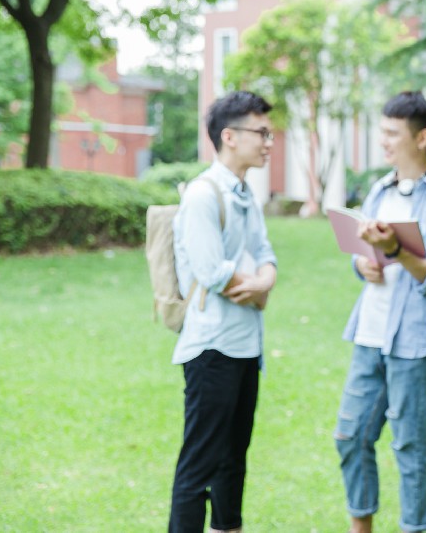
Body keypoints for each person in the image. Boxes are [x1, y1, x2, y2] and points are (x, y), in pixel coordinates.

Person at [334, 91, 426, 533]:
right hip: (368, 335)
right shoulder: (380, 189)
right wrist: (364, 262)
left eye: (393, 133)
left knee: (411, 447)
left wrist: (397, 249)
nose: (384, 142)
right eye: (383, 132)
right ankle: (362, 527)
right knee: (351, 437)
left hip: (414, 342)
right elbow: (363, 255)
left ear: (423, 137)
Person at [169, 91, 278, 533]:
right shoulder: (202, 194)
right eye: (261, 132)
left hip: (245, 347)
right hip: (211, 348)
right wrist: (260, 289)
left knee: (233, 461)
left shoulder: (245, 193)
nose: (269, 141)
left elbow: (265, 254)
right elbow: (212, 272)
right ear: (229, 136)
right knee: (199, 466)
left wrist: (262, 284)